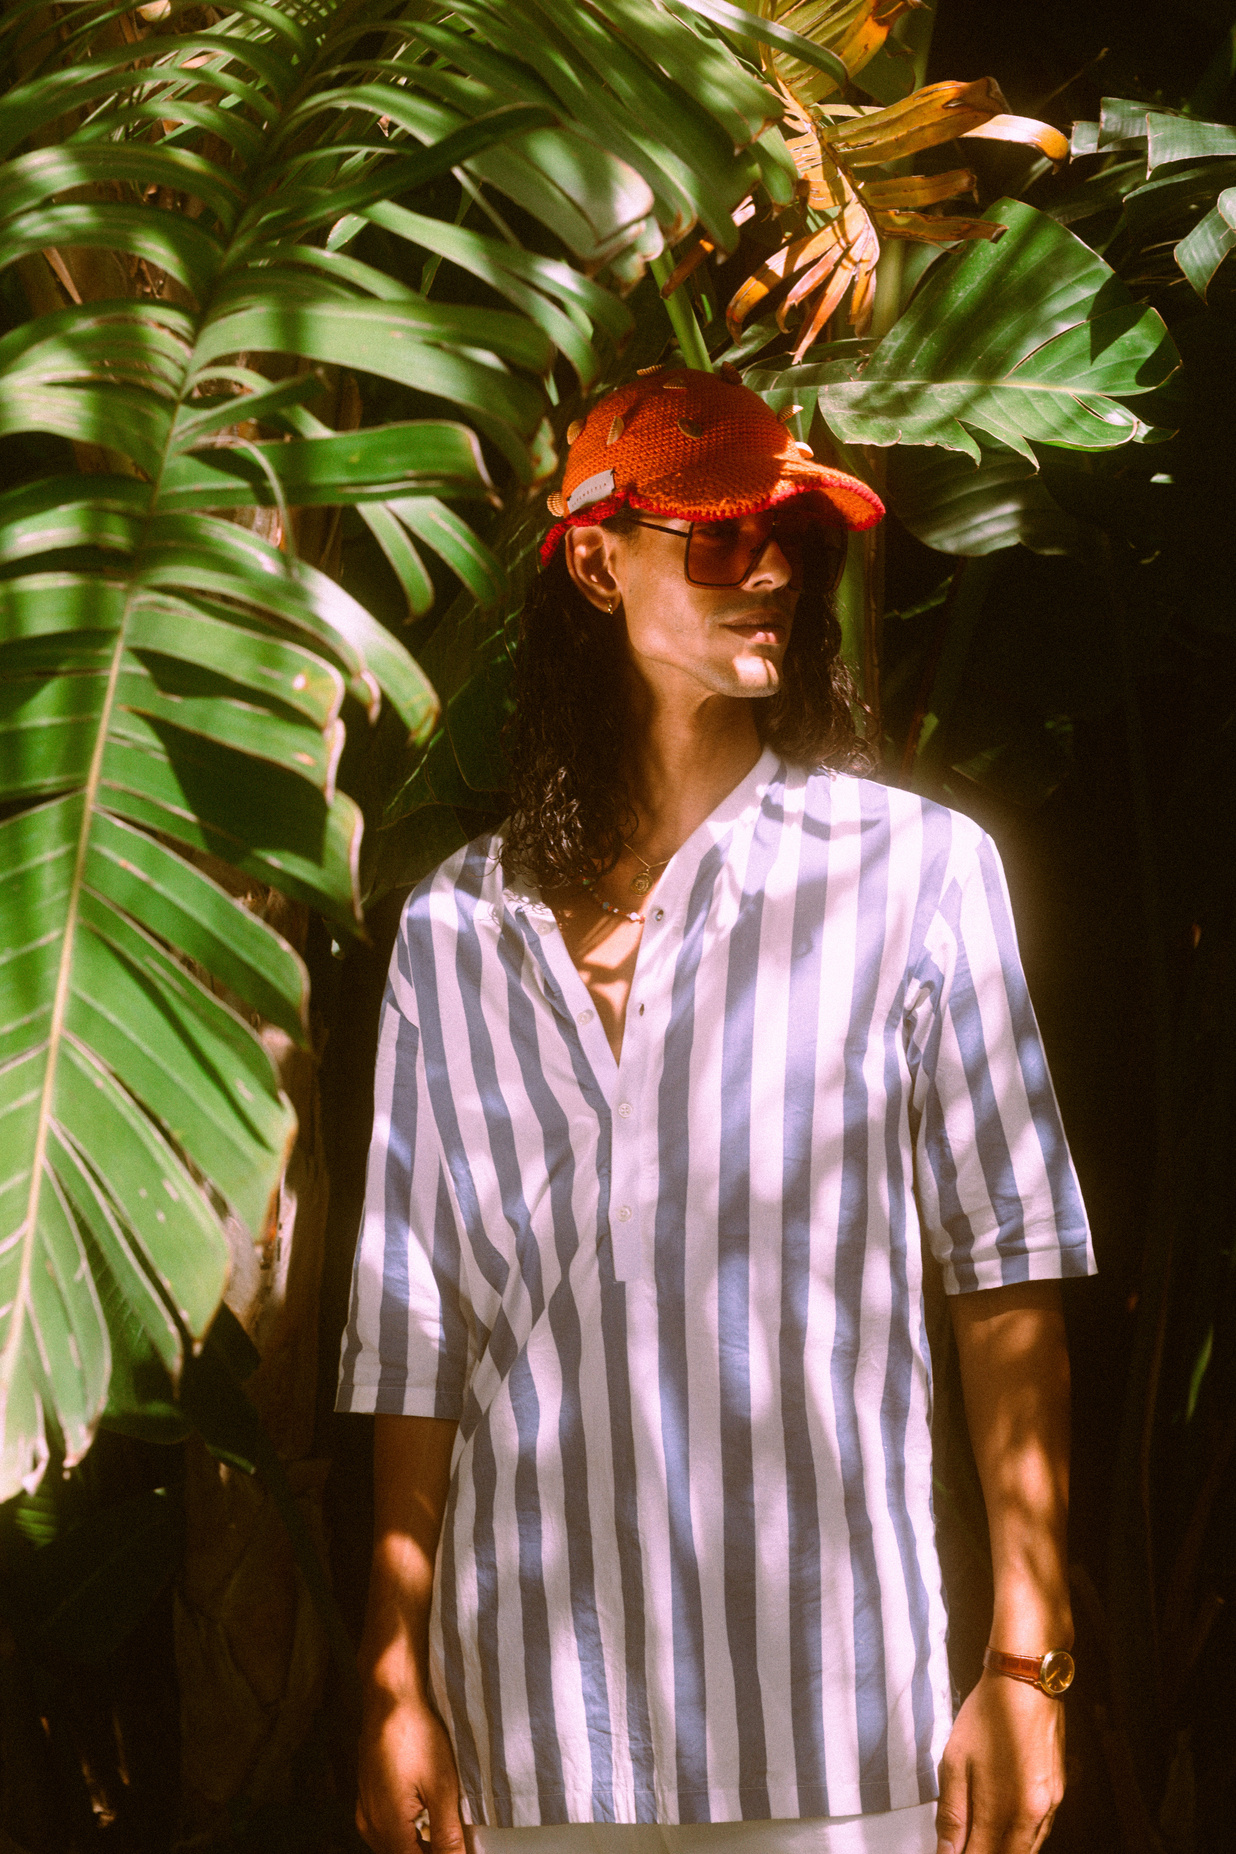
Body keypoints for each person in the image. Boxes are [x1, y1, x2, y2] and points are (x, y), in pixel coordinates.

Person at [338, 367, 1094, 1854]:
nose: (766, 571)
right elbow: (416, 1340)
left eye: (789, 537)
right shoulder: (454, 931)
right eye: (714, 534)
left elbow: (1008, 1288)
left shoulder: (915, 879)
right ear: (595, 559)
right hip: (531, 1756)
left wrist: (1027, 1661)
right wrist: (389, 1676)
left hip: (839, 1746)